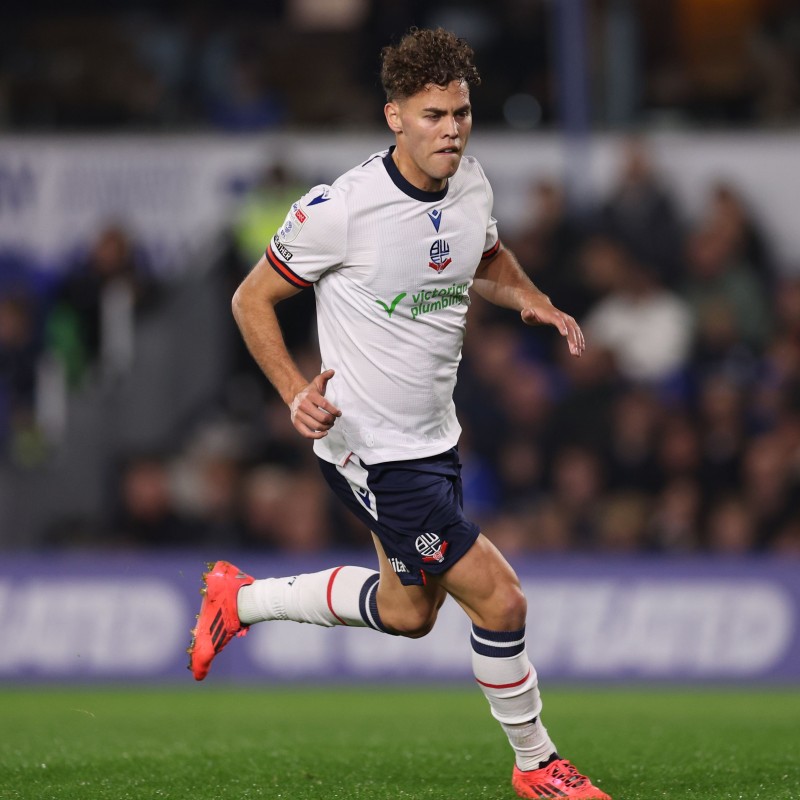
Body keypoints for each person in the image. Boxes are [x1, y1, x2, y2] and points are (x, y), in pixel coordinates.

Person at [188, 27, 609, 800]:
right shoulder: (341, 210)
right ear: (394, 117)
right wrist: (293, 391)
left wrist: (532, 298)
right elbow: (251, 298)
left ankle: (238, 600)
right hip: (370, 449)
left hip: (431, 440)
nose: (452, 128)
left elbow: (484, 255)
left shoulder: (472, 184)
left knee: (410, 613)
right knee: (502, 597)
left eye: (461, 113)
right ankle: (537, 762)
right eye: (434, 114)